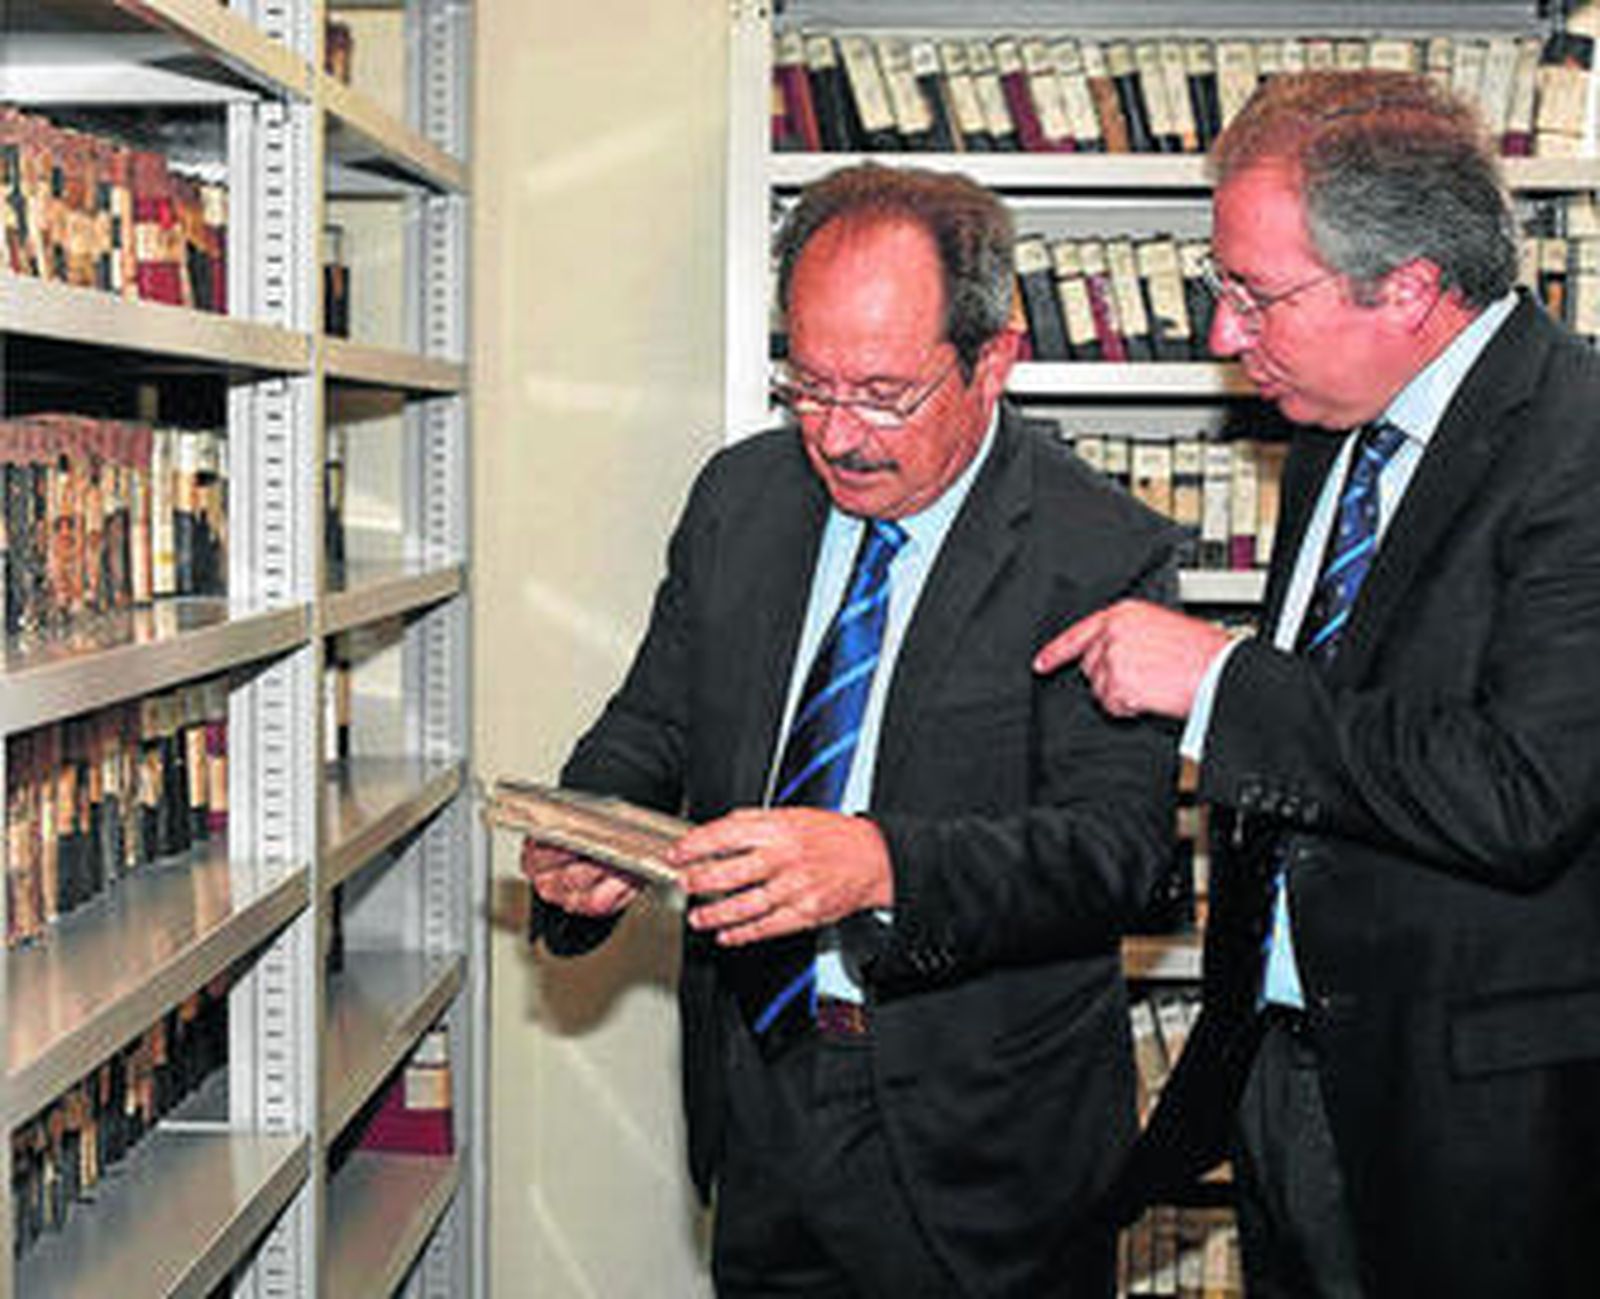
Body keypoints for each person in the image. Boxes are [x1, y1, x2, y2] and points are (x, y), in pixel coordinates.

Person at [522, 163, 1179, 1298]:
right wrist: (587, 828)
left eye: (883, 393)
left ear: (993, 361)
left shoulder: (1098, 549)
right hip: (762, 1089)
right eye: (807, 385)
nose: (838, 435)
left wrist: (880, 863)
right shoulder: (741, 500)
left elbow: (1115, 853)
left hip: (985, 1142)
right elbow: (655, 719)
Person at [1035, 70, 1600, 1298]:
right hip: (1287, 1078)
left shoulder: (1581, 443)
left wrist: (1221, 684)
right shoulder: (1339, 430)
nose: (1224, 335)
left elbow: (1521, 791)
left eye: (1256, 295)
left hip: (1481, 1133)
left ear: (1408, 289)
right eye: (1219, 289)